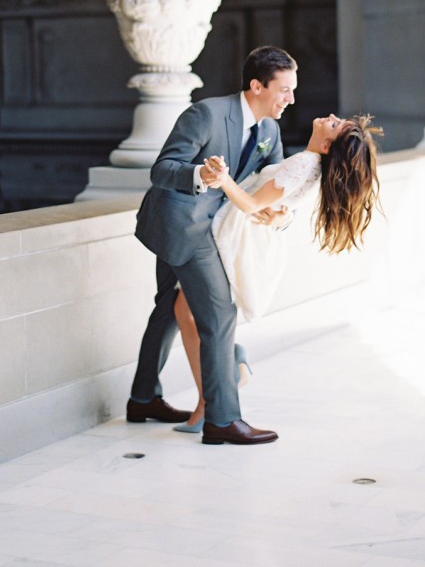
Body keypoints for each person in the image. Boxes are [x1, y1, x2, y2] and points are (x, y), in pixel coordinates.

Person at [126, 46, 297, 446]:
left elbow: (272, 188)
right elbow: (162, 169)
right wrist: (201, 174)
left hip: (214, 226)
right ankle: (222, 420)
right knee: (220, 315)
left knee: (168, 309)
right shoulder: (206, 113)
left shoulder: (269, 131)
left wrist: (281, 217)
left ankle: (142, 399)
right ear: (256, 86)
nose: (290, 99)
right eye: (284, 90)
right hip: (180, 224)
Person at [173, 113, 382, 431]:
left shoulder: (305, 164)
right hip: (245, 235)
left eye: (336, 125)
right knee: (189, 309)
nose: (333, 117)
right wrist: (279, 213)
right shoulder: (310, 165)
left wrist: (223, 177)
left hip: (233, 235)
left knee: (192, 310)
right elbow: (275, 203)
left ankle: (210, 399)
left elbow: (251, 204)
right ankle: (222, 377)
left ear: (327, 145)